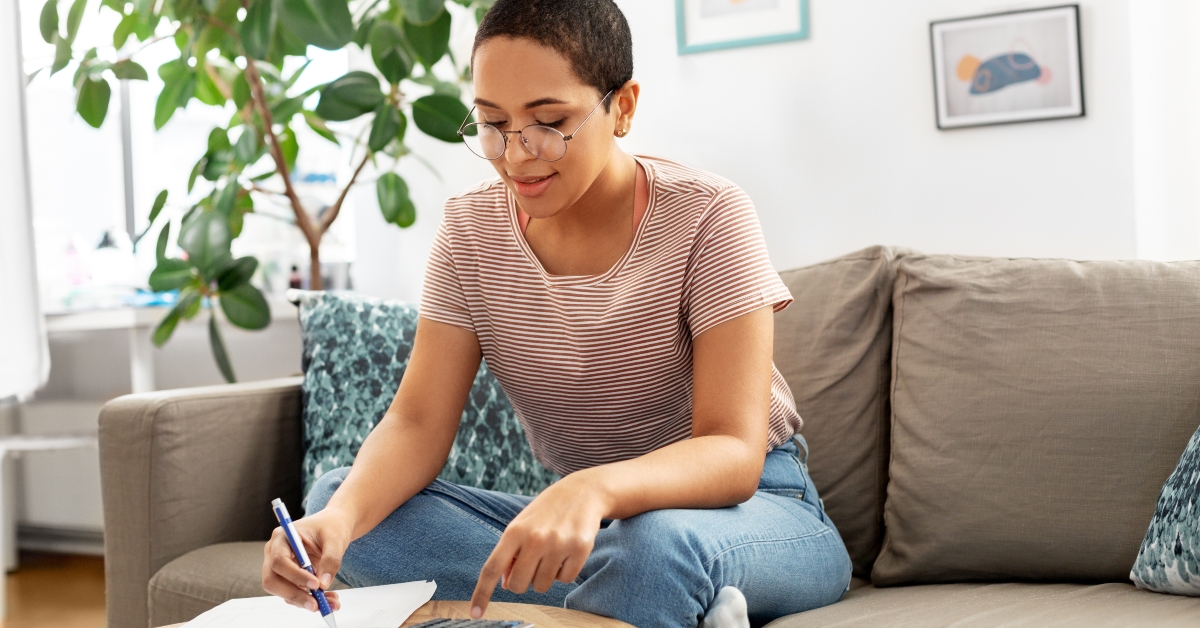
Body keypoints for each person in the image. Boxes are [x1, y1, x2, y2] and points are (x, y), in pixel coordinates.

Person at [262, 1, 852, 626]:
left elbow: (733, 451)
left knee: (655, 546)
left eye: (548, 121)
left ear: (622, 106)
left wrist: (590, 488)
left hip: (753, 514)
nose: (516, 155)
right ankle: (642, 612)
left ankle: (484, 613)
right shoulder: (470, 230)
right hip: (596, 530)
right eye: (492, 123)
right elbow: (416, 423)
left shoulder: (709, 215)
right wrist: (337, 522)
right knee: (342, 504)